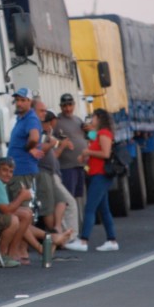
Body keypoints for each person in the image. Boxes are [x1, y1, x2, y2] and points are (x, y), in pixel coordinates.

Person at [65, 108, 119, 252]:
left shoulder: (104, 133)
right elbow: (92, 139)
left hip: (101, 175)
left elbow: (105, 154)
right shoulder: (98, 134)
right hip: (96, 173)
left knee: (90, 208)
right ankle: (111, 240)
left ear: (99, 119)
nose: (91, 120)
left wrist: (88, 152)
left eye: (93, 118)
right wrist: (85, 155)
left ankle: (83, 240)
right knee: (104, 209)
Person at [35, 103, 79, 242]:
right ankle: (64, 236)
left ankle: (60, 230)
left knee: (63, 201)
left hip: (56, 172)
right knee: (56, 204)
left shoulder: (50, 133)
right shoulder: (42, 134)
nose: (52, 123)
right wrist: (59, 145)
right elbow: (45, 152)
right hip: (48, 172)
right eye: (49, 120)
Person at [6, 87, 43, 211]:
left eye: (22, 100)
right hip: (19, 170)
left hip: (22, 170)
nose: (19, 103)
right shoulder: (21, 118)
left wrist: (28, 148)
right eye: (17, 100)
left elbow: (34, 138)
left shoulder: (30, 118)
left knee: (22, 210)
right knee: (20, 209)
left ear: (30, 102)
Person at [56, 93, 89, 229]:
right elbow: (50, 139)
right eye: (65, 106)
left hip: (80, 166)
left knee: (77, 197)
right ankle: (68, 229)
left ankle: (78, 225)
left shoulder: (78, 120)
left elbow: (89, 136)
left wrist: (89, 131)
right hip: (66, 166)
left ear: (74, 105)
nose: (68, 108)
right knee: (68, 199)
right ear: (61, 106)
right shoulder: (57, 122)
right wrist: (61, 143)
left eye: (70, 105)